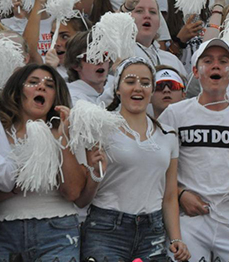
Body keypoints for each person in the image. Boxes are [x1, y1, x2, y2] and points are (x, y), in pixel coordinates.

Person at [159, 39, 229, 261]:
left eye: (223, 61)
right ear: (195, 72)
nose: (216, 66)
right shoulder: (174, 115)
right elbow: (156, 171)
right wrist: (180, 194)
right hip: (188, 221)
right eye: (208, 61)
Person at [79, 57, 190, 262]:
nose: (138, 88)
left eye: (145, 83)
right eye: (130, 81)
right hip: (106, 228)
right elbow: (81, 199)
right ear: (117, 89)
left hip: (153, 230)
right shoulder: (99, 129)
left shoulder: (168, 134)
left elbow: (169, 195)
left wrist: (176, 238)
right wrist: (95, 173)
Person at [0, 64, 86, 261]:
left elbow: (72, 192)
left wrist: (62, 139)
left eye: (50, 85)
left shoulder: (67, 130)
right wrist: (18, 184)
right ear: (17, 92)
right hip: (5, 232)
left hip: (57, 231)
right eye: (33, 82)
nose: (41, 87)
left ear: (55, 97)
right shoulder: (0, 131)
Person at [132, 0, 186, 75]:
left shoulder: (172, 60)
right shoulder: (119, 54)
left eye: (153, 12)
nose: (147, 15)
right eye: (139, 11)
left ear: (159, 23)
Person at [63, 31, 113, 105]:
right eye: (92, 57)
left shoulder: (116, 84)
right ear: (75, 65)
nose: (100, 62)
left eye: (104, 56)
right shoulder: (71, 95)